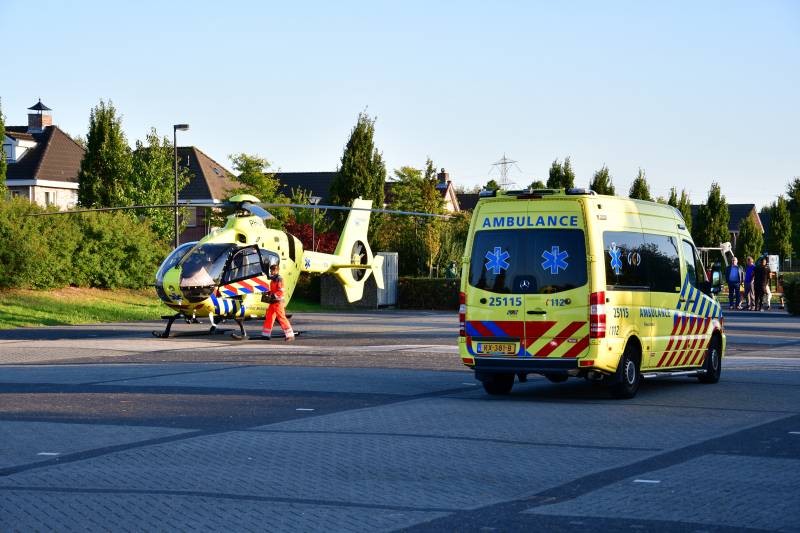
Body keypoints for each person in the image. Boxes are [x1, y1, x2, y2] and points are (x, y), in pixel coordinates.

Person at [261, 263, 295, 341]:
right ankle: (266, 335)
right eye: (271, 270)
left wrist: (272, 295)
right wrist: (268, 293)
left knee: (281, 318)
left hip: (278, 302)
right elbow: (274, 290)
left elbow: (280, 291)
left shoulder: (279, 279)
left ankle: (290, 335)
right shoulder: (273, 280)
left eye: (272, 271)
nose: (271, 272)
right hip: (273, 302)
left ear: (276, 271)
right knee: (269, 317)